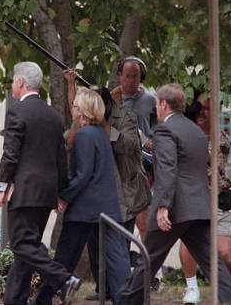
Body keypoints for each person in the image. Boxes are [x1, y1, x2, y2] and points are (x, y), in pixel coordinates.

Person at [116, 83, 231, 305]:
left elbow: (167, 168)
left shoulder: (165, 129)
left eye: (157, 104)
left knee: (148, 259)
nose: (157, 107)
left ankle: (125, 301)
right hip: (199, 207)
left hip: (174, 209)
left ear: (163, 104)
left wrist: (163, 205)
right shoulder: (195, 130)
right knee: (213, 264)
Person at [0, 62, 80, 305]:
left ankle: (65, 279)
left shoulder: (17, 111)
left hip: (26, 192)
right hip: (47, 193)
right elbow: (61, 158)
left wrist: (1, 189)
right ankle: (14, 300)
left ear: (20, 82)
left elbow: (10, 154)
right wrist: (60, 192)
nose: (12, 85)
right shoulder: (53, 115)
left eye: (12, 81)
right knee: (26, 252)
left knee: (21, 244)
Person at [32, 87, 131, 305]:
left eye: (75, 105)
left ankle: (43, 299)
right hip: (106, 206)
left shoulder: (84, 135)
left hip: (85, 209)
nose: (72, 108)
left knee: (65, 257)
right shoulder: (99, 133)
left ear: (84, 109)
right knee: (116, 258)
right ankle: (124, 299)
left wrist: (63, 196)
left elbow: (83, 174)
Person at [63, 69, 151, 300]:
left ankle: (122, 293)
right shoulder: (87, 130)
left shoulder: (124, 119)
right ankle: (105, 289)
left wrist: (104, 128)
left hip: (124, 193)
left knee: (118, 248)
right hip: (100, 194)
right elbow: (69, 138)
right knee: (95, 247)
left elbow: (131, 146)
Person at [180, 93, 231, 303]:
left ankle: (229, 288)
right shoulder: (184, 134)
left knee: (224, 252)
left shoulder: (222, 139)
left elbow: (209, 163)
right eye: (199, 107)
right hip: (191, 198)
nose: (202, 112)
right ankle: (191, 288)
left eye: (207, 108)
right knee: (189, 243)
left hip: (216, 198)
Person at [111, 56, 156, 242]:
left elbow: (159, 133)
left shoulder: (151, 101)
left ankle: (147, 267)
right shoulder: (111, 99)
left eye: (135, 77)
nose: (130, 81)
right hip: (117, 168)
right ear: (120, 75)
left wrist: (151, 142)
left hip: (142, 168)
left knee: (143, 221)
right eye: (127, 76)